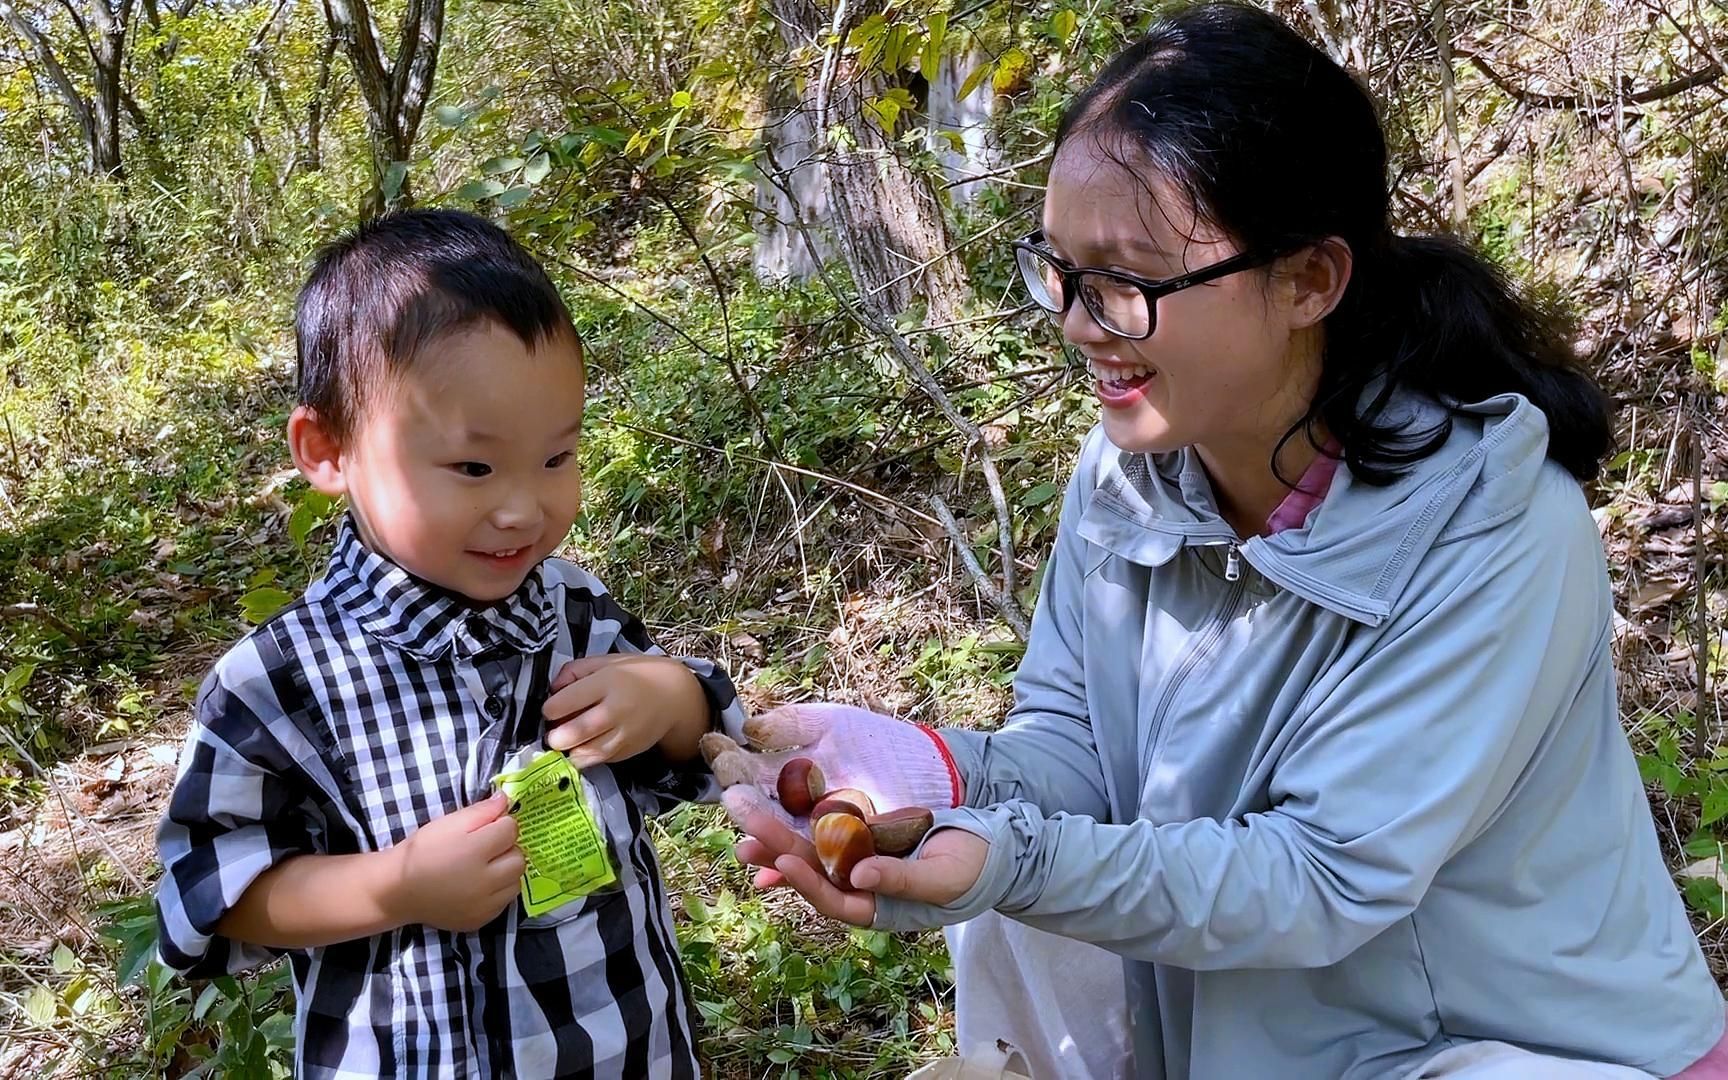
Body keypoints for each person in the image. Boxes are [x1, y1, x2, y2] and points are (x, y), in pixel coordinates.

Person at [711, 4, 1728, 1077]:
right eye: (1056, 267)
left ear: (1309, 280)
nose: (1074, 320)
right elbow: (1079, 761)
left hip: (1515, 1048)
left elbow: (1325, 876)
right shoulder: (1130, 476)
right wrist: (920, 775)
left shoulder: (1489, 526)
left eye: (1127, 282)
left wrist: (1002, 857)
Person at [154, 209, 745, 1079]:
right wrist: (395, 884)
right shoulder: (279, 682)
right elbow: (214, 890)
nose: (523, 508)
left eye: (557, 458)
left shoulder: (576, 612)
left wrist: (669, 698)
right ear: (328, 449)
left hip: (628, 1047)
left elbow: (700, 747)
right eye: (474, 468)